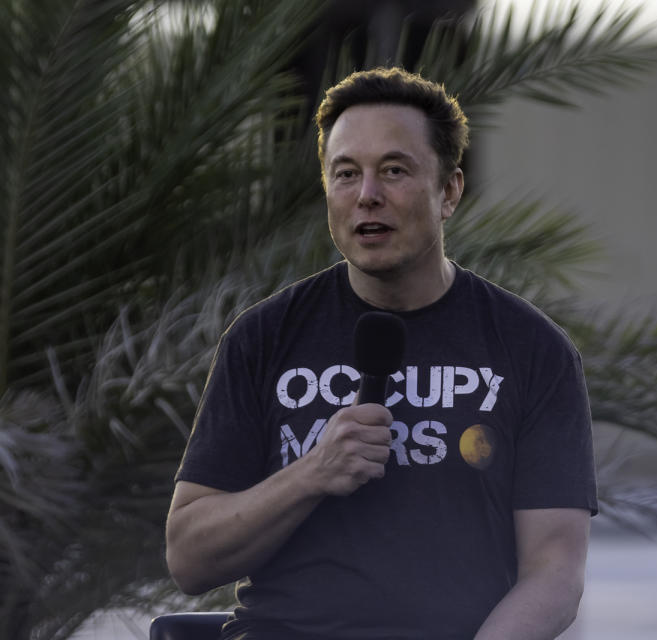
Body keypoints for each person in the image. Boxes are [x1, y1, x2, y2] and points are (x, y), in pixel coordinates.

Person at [165, 67, 597, 640]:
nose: (367, 194)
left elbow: (554, 572)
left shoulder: (531, 348)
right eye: (346, 173)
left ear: (449, 191)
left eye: (394, 171)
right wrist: (312, 474)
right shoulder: (262, 338)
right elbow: (189, 558)